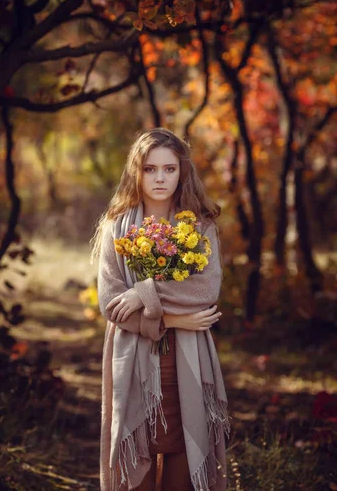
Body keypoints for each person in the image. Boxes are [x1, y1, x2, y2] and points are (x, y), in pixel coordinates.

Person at [90, 128, 231, 491]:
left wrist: (142, 294)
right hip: (131, 361)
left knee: (184, 454)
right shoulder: (114, 227)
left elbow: (205, 288)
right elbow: (111, 305)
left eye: (169, 169)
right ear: (136, 172)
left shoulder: (199, 227)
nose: (160, 178)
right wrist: (173, 317)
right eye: (150, 169)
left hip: (187, 360)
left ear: (182, 172)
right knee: (135, 455)